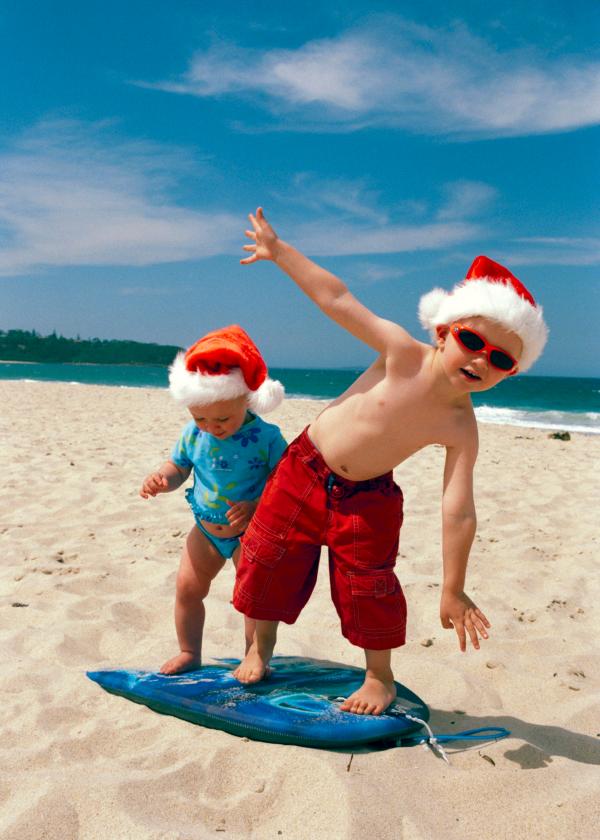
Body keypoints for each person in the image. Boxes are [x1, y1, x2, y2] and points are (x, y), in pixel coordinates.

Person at [232, 208, 548, 715]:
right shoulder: (401, 352)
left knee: (369, 586)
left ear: (508, 375)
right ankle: (258, 646)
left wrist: (454, 587)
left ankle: (380, 676)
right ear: (444, 331)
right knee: (269, 560)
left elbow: (458, 509)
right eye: (472, 341)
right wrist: (279, 251)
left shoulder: (461, 426)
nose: (481, 360)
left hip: (369, 497)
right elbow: (337, 299)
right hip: (302, 471)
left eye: (501, 359)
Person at [140, 324, 287, 675]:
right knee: (187, 590)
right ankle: (189, 651)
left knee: (254, 602)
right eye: (200, 417)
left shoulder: (266, 436)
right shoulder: (193, 433)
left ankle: (255, 656)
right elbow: (179, 466)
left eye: (222, 418)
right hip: (205, 528)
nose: (211, 426)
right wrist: (163, 479)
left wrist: (256, 506)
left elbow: (285, 481)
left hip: (248, 532)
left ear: (247, 398)